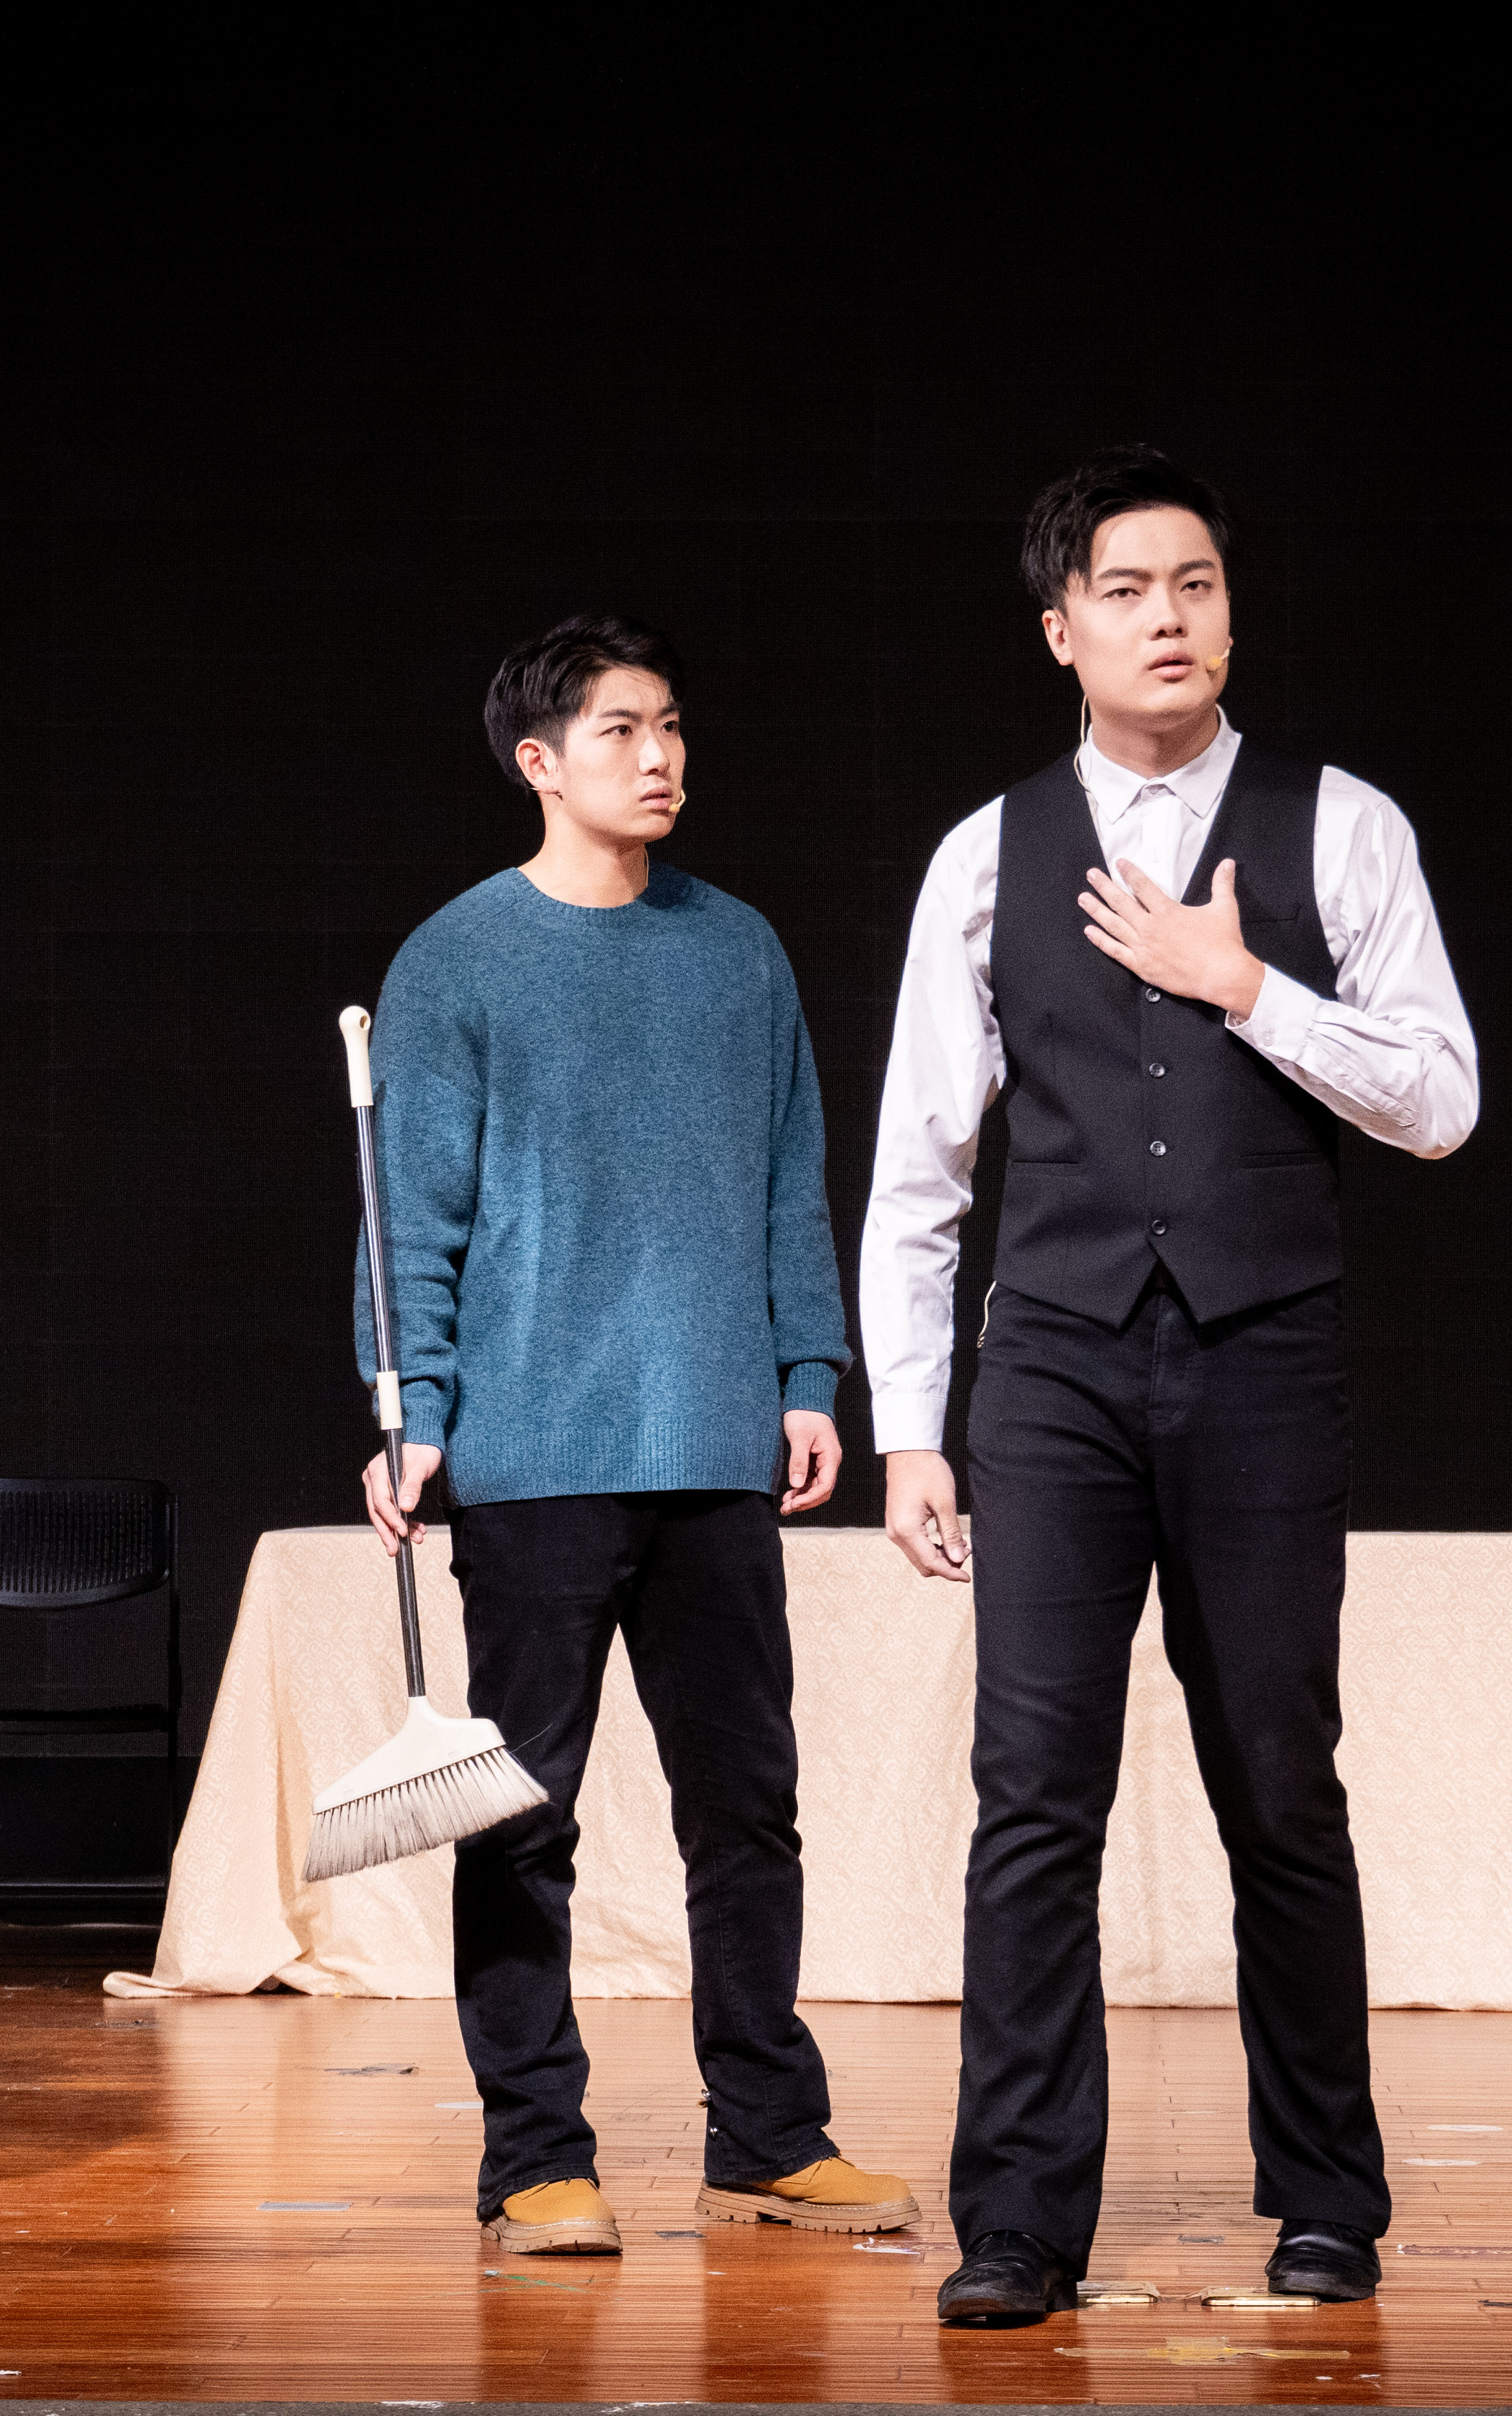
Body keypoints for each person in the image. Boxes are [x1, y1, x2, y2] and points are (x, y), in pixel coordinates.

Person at [860, 448, 1480, 2323]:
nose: (1169, 617)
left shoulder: (1341, 826)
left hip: (1262, 1357)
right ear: (1061, 629)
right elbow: (919, 1168)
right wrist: (908, 1429)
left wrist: (1246, 987)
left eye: (1196, 584)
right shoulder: (984, 854)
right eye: (1127, 590)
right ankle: (1018, 2222)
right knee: (1031, 1795)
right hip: (1051, 1363)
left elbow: (1442, 1100)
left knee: (1280, 1783)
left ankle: (1328, 2200)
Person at [356, 612, 915, 2257]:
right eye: (619, 729)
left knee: (747, 1807)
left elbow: (789, 1170)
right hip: (533, 1451)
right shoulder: (458, 955)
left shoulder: (738, 948)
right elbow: (407, 1214)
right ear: (538, 760)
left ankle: (769, 2131)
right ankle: (535, 2153)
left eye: (670, 723)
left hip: (717, 1441)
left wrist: (808, 1372)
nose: (659, 755)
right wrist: (413, 1407)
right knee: (519, 1819)